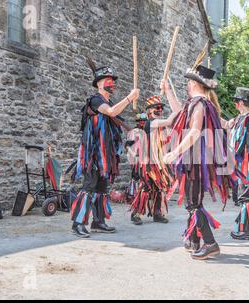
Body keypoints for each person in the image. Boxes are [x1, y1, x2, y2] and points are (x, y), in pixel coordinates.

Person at [163, 64, 229, 260]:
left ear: (194, 83)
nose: (187, 85)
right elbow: (178, 114)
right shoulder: (197, 103)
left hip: (196, 162)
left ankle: (210, 244)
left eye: (189, 82)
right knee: (194, 202)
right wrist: (167, 90)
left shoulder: (200, 104)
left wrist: (174, 152)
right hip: (196, 161)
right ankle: (193, 240)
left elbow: (194, 132)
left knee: (193, 204)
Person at [70, 57, 140, 238]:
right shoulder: (95, 100)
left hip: (105, 154)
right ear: (99, 84)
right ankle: (78, 223)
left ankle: (98, 222)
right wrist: (129, 98)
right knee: (89, 186)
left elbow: (114, 114)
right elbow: (111, 112)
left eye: (113, 80)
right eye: (108, 80)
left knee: (101, 188)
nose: (112, 83)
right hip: (93, 154)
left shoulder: (109, 103)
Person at [221, 87, 249, 240]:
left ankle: (247, 230)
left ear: (240, 102)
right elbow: (226, 125)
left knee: (246, 194)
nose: (234, 103)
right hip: (242, 162)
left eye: (235, 101)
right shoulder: (240, 118)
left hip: (248, 162)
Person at [128, 94, 180, 225]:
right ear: (150, 110)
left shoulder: (160, 125)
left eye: (161, 108)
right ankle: (136, 213)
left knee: (159, 188)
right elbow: (169, 121)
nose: (160, 110)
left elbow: (171, 130)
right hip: (148, 162)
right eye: (157, 108)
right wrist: (177, 112)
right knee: (145, 187)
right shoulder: (151, 122)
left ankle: (157, 213)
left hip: (159, 163)